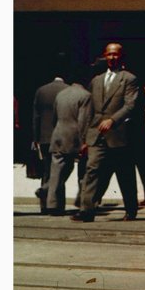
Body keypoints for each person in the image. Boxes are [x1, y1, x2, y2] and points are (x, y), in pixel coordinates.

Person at [74, 42, 141, 222]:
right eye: (109, 54)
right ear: (105, 56)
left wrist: (113, 120)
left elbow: (130, 105)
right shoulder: (96, 80)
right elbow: (89, 111)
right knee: (91, 170)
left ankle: (131, 209)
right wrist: (85, 138)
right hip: (96, 135)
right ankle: (86, 210)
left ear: (121, 56)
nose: (112, 58)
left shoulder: (129, 79)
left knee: (124, 174)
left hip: (119, 135)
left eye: (115, 54)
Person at [45, 68, 92, 215]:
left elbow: (54, 117)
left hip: (58, 134)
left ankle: (52, 203)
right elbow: (83, 120)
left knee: (56, 170)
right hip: (75, 137)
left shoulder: (61, 94)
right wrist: (85, 140)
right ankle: (83, 202)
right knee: (82, 171)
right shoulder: (85, 96)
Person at [31, 63, 68, 213]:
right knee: (60, 170)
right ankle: (57, 205)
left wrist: (36, 137)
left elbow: (36, 116)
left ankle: (44, 205)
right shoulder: (68, 90)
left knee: (47, 171)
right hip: (62, 136)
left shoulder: (41, 91)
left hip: (45, 137)